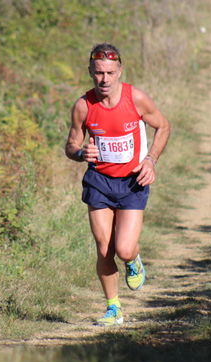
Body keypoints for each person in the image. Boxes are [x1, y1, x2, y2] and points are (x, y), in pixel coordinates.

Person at [65, 43, 171, 326]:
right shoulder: (83, 106)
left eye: (110, 73)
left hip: (132, 182)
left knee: (124, 249)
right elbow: (72, 144)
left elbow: (163, 126)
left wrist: (150, 161)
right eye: (99, 73)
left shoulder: (135, 98)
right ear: (90, 71)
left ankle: (133, 260)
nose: (104, 79)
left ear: (119, 70)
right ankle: (113, 307)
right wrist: (80, 153)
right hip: (99, 181)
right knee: (103, 248)